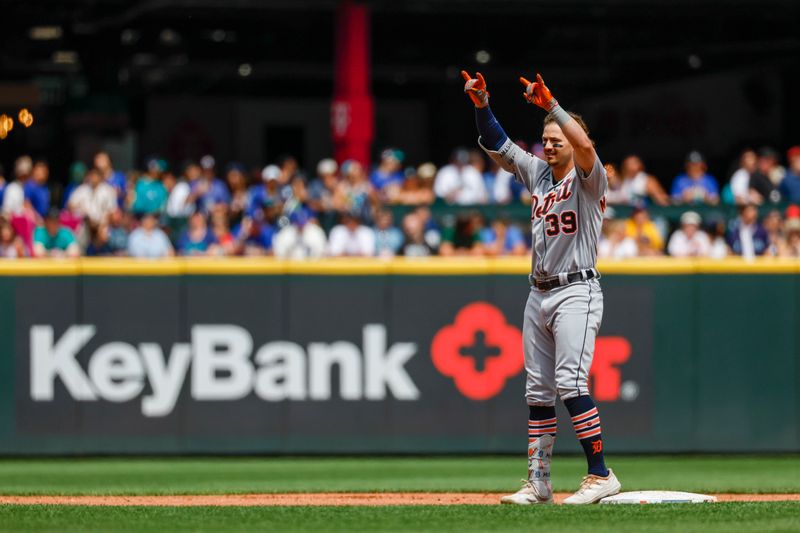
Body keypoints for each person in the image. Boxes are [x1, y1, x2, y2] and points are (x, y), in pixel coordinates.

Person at [462, 70, 620, 504]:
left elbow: (586, 147)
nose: (549, 145)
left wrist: (552, 106)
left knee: (570, 383)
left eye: (557, 139)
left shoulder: (589, 178)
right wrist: (482, 106)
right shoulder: (539, 174)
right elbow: (500, 146)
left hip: (576, 289)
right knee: (537, 390)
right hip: (539, 291)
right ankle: (539, 480)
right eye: (546, 139)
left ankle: (600, 474)